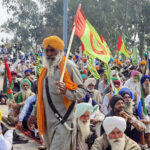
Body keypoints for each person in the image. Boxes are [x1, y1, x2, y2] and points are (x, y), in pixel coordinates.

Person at [37, 35, 85, 150]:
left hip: (64, 123)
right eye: (47, 50)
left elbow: (82, 92)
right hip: (48, 123)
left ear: (59, 51)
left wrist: (66, 91)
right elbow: (41, 96)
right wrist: (34, 114)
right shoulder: (45, 70)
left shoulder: (69, 67)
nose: (48, 54)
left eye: (52, 50)